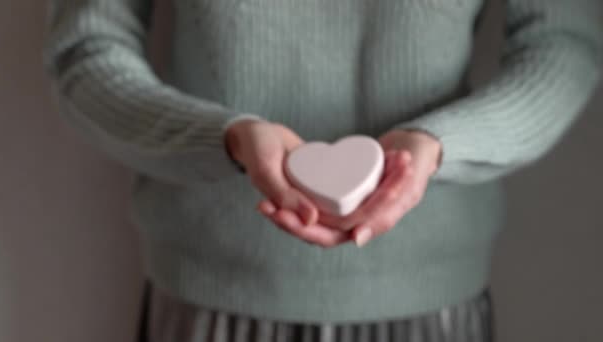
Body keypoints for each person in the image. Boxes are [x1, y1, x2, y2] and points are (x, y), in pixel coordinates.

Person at [44, 0, 602, 341]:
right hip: (210, 296)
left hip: (432, 305)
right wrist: (224, 137)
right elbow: (86, 47)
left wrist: (439, 147)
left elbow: (563, 44)